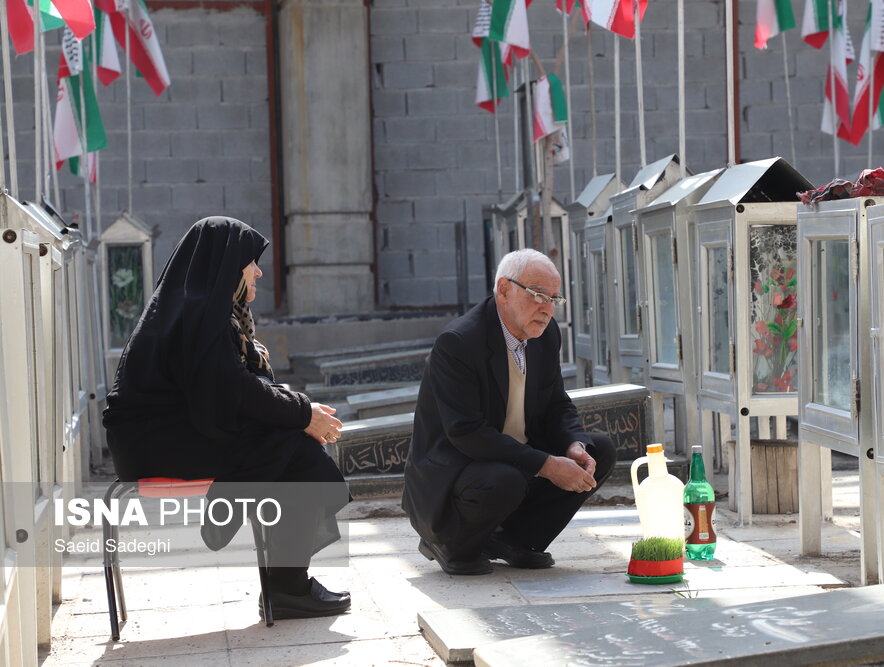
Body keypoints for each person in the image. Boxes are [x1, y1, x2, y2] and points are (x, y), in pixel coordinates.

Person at [103, 216, 351, 619]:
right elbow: (232, 389)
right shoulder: (198, 314)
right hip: (154, 446)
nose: (257, 271)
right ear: (225, 264)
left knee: (288, 442)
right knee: (294, 448)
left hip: (167, 436)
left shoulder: (201, 308)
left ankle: (280, 578)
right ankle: (286, 586)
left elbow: (233, 390)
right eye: (249, 261)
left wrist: (296, 410)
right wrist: (302, 413)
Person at [402, 249, 617, 575]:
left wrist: (575, 444)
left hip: (514, 461)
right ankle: (449, 544)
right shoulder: (459, 342)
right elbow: (467, 433)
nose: (546, 309)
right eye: (537, 296)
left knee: (598, 450)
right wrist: (547, 465)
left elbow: (558, 402)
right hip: (459, 472)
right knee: (505, 480)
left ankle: (514, 540)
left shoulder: (545, 335)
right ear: (504, 290)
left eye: (554, 300)